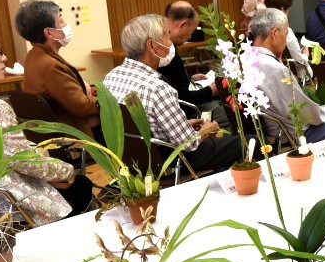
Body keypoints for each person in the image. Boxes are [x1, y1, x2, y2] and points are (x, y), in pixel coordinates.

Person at [0, 22, 92, 224]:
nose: (3, 58)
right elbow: (26, 162)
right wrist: (66, 171)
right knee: (82, 184)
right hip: (15, 207)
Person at [103, 14, 245, 174]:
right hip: (172, 162)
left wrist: (185, 125)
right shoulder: (157, 88)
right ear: (152, 46)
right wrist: (206, 130)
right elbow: (190, 144)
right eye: (166, 36)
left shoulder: (111, 77)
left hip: (132, 161)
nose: (170, 43)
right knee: (247, 142)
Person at [247, 9, 325, 146]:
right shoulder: (275, 69)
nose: (285, 42)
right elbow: (303, 112)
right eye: (284, 35)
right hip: (288, 134)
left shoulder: (242, 59)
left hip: (264, 130)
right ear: (274, 34)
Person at [14, 0, 100, 138]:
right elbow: (82, 107)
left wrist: (95, 91)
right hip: (76, 139)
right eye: (60, 21)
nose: (65, 24)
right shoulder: (50, 66)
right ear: (49, 33)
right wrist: (108, 99)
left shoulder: (34, 55)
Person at [161, 1, 221, 108]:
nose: (190, 37)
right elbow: (183, 100)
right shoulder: (167, 53)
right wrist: (211, 90)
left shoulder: (163, 43)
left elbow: (173, 83)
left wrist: (188, 78)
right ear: (183, 25)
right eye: (192, 31)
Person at [263, 0, 311, 82]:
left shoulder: (262, 30)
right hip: (295, 77)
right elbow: (298, 61)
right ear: (282, 8)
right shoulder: (285, 32)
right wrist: (305, 55)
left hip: (271, 75)